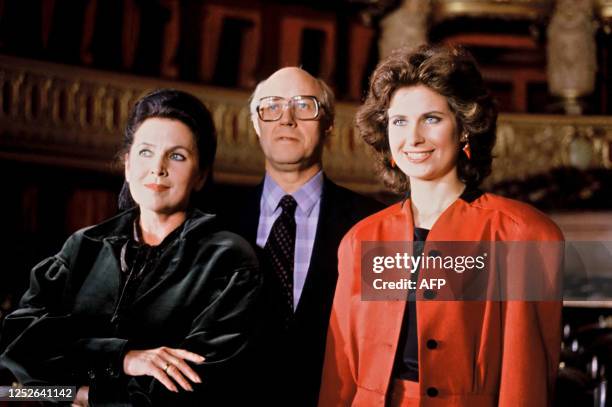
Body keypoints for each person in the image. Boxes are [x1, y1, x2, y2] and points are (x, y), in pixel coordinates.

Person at [319, 45, 564, 406]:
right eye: (399, 121)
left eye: (431, 118)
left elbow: (525, 378)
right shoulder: (361, 239)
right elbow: (339, 373)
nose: (413, 137)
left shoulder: (520, 234)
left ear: (464, 128)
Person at [0, 89, 262, 406]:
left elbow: (197, 388)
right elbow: (16, 348)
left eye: (177, 155)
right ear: (127, 164)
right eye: (145, 152)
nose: (158, 168)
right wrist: (123, 357)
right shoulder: (83, 246)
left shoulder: (230, 260)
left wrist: (86, 395)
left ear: (201, 174)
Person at [226, 67, 383, 406]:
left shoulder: (374, 224)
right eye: (271, 106)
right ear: (256, 124)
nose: (286, 118)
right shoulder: (216, 222)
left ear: (328, 123)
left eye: (303, 105)